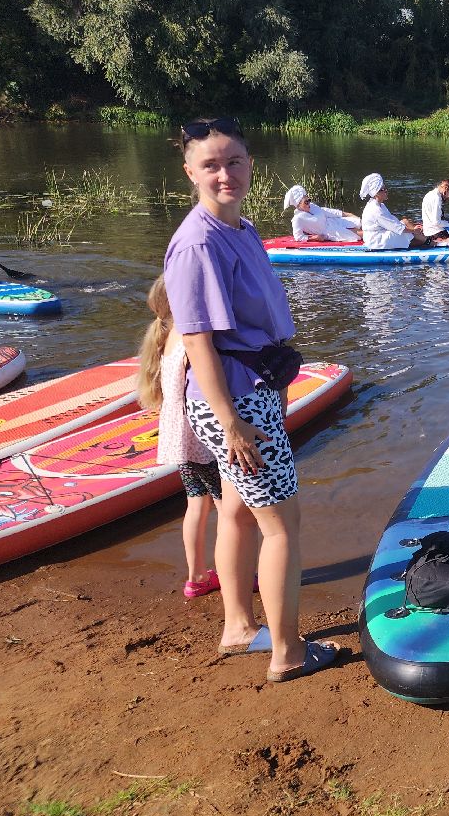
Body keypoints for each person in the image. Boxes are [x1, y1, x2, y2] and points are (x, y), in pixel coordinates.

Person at [162, 115, 340, 683]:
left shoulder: (239, 227)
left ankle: (238, 626)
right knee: (282, 527)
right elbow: (197, 342)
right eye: (210, 165)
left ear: (250, 164)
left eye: (233, 161)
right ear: (189, 170)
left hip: (255, 391)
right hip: (238, 403)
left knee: (237, 511)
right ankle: (287, 652)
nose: (224, 174)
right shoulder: (196, 245)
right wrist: (231, 423)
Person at [138, 274, 228, 599]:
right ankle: (236, 573)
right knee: (228, 510)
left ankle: (196, 577)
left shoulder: (166, 335)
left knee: (196, 505)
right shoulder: (192, 337)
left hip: (178, 434)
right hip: (199, 436)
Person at [360, 174, 426, 250]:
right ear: (376, 193)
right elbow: (394, 226)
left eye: (385, 188)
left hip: (380, 234)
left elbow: (393, 221)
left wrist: (411, 227)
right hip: (376, 241)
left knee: (405, 222)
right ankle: (427, 242)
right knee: (407, 233)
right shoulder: (375, 210)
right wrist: (413, 230)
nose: (386, 191)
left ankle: (425, 239)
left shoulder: (381, 205)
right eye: (382, 189)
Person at [285, 184, 361, 243]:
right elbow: (298, 237)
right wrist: (314, 238)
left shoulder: (312, 206)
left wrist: (348, 214)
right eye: (306, 202)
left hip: (334, 221)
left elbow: (327, 211)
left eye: (309, 200)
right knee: (359, 232)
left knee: (360, 222)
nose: (309, 203)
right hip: (332, 232)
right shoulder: (297, 219)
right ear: (298, 205)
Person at [420, 178, 449, 245]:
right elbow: (436, 222)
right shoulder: (437, 198)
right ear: (446, 189)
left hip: (429, 230)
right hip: (435, 232)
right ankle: (446, 242)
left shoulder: (430, 194)